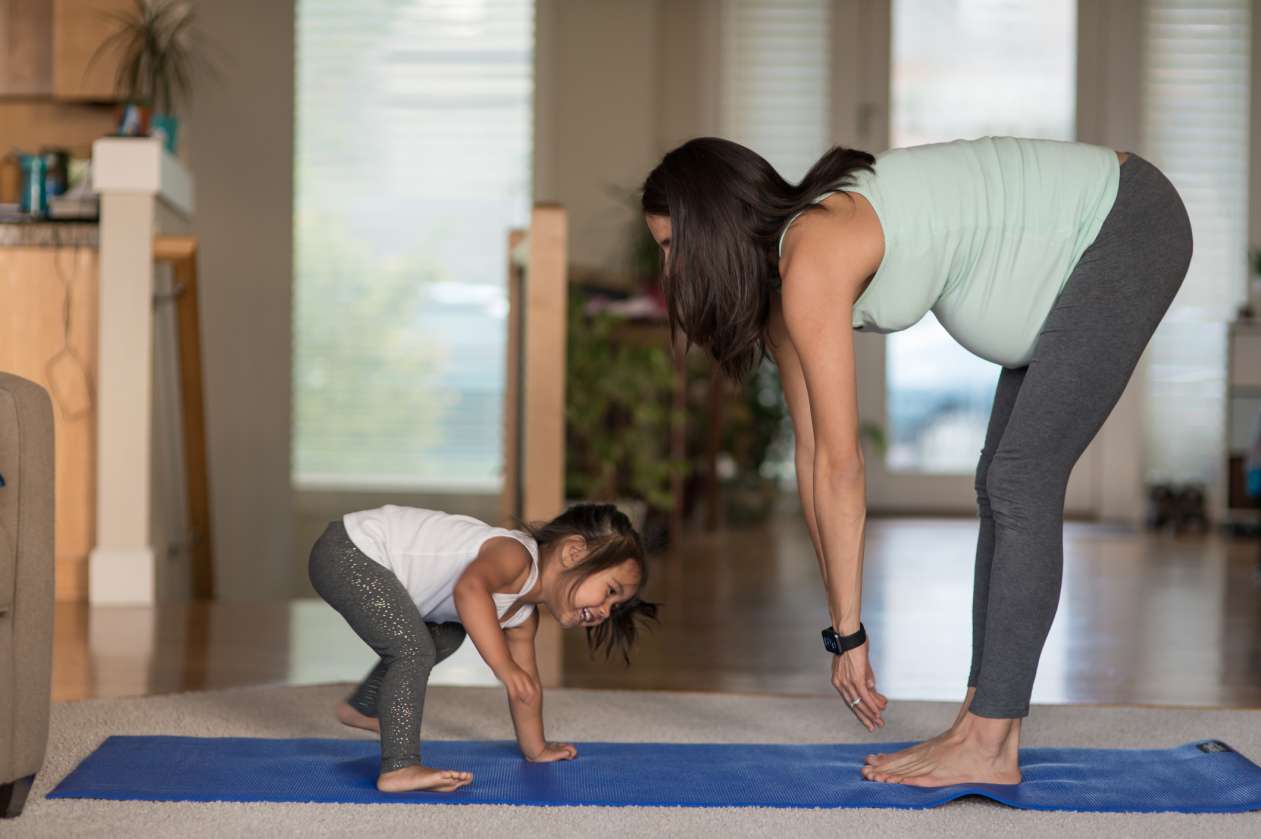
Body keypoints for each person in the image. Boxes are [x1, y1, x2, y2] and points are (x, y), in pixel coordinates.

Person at [641, 136, 1191, 787]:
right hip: (1073, 248)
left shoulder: (813, 251)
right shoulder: (786, 280)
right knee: (1002, 482)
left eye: (672, 245)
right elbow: (815, 455)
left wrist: (848, 636)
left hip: (1122, 221)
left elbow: (842, 468)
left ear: (710, 229)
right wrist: (837, 630)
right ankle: (980, 720)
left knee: (1019, 480)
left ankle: (990, 741)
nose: (668, 270)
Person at [309, 502, 657, 792]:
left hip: (362, 557)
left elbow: (526, 687)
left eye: (615, 607)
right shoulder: (514, 556)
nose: (605, 611)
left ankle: (366, 707)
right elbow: (469, 590)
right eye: (610, 592)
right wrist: (503, 666)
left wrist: (535, 749)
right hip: (350, 552)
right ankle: (399, 767)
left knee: (446, 635)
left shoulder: (522, 615)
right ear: (573, 552)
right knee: (414, 649)